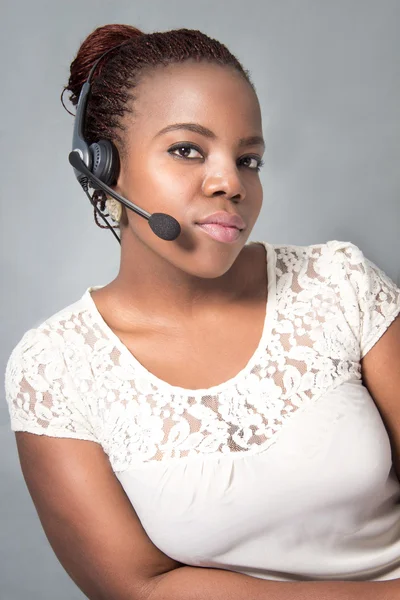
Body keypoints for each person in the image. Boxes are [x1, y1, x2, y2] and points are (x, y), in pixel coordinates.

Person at [4, 23, 400, 600]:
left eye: (249, 159)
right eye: (187, 149)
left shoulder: (337, 281)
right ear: (103, 169)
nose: (231, 182)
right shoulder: (54, 370)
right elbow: (141, 589)